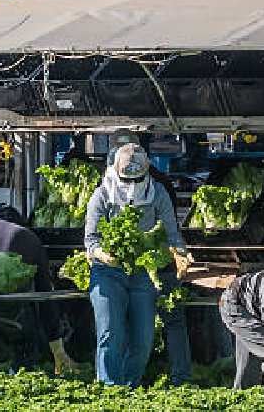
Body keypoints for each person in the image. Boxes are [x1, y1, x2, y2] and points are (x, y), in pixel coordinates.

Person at [84, 143, 189, 387]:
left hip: (142, 272)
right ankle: (109, 389)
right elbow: (90, 239)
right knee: (111, 333)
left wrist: (180, 255)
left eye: (137, 179)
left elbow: (172, 234)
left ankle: (129, 387)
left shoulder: (158, 192)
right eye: (126, 179)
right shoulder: (101, 194)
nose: (131, 186)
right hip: (107, 272)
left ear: (146, 172)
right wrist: (101, 253)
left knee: (143, 339)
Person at [0, 203, 78, 378]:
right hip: (10, 305)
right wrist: (58, 350)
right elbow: (45, 296)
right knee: (26, 339)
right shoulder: (30, 239)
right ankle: (20, 379)